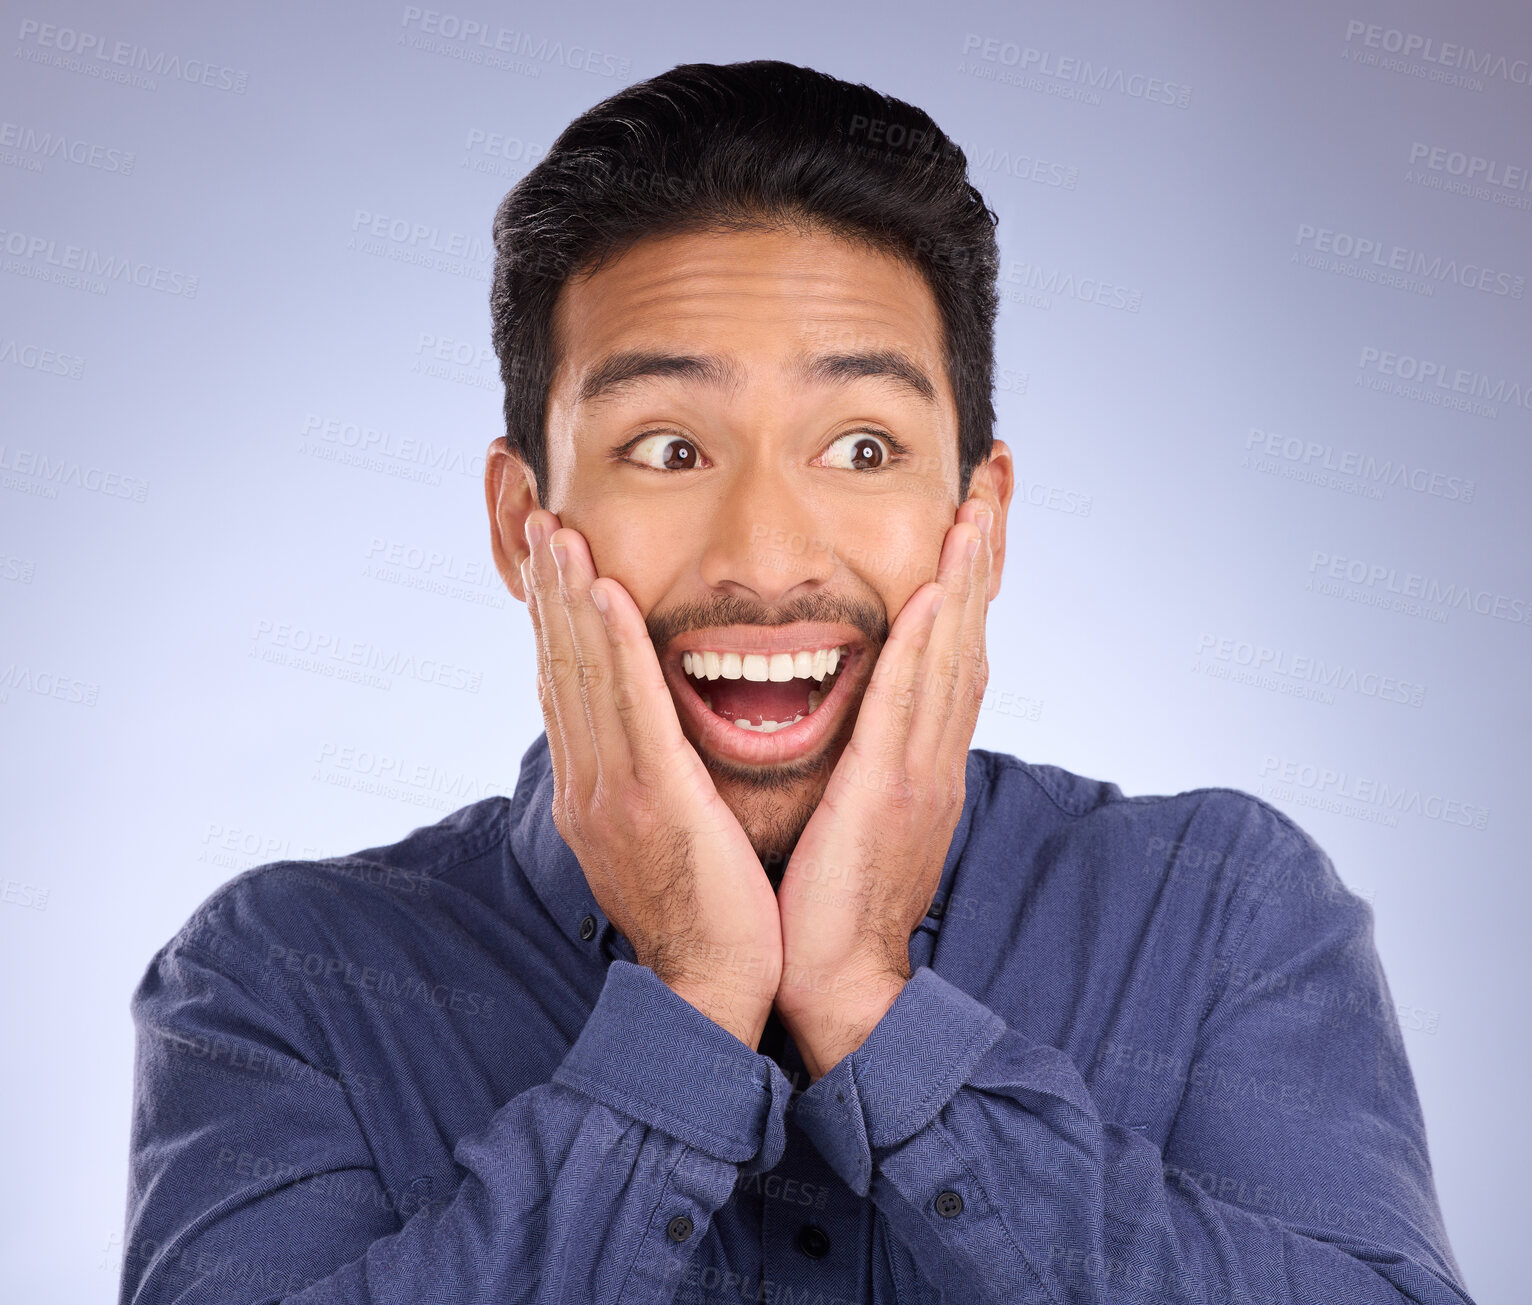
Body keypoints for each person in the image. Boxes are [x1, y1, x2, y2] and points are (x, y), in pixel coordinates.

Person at [120, 60, 1473, 1305]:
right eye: (665, 447)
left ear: (979, 519)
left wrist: (874, 1010)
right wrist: (696, 1001)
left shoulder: (1222, 910)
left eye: (865, 447)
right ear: (517, 526)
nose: (766, 560)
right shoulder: (275, 982)